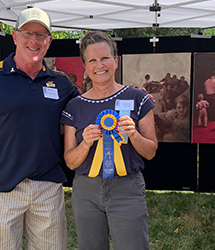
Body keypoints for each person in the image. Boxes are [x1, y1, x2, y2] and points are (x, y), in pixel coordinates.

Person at [0, 7, 79, 250]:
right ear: (15, 36)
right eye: (28, 33)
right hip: (0, 191)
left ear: (49, 41)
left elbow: (90, 108)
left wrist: (125, 95)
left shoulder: (62, 83)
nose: (34, 40)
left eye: (41, 35)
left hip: (48, 188)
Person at [60, 31, 158, 250]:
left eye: (104, 58)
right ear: (85, 66)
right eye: (92, 60)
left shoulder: (138, 99)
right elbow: (70, 162)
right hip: (86, 191)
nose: (99, 65)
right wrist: (85, 143)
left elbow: (151, 152)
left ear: (116, 60)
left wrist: (134, 134)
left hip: (127, 188)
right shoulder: (74, 107)